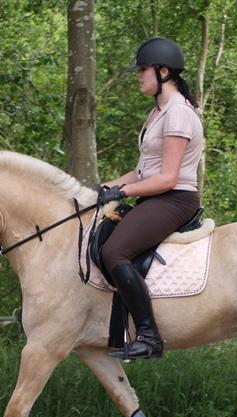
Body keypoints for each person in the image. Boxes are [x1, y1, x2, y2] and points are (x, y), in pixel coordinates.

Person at [97, 37, 204, 360]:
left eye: (143, 69)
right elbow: (144, 171)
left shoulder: (178, 114)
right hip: (157, 196)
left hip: (175, 199)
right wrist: (108, 185)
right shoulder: (158, 113)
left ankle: (149, 336)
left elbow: (168, 177)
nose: (138, 75)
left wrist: (124, 192)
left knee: (114, 252)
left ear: (163, 71)